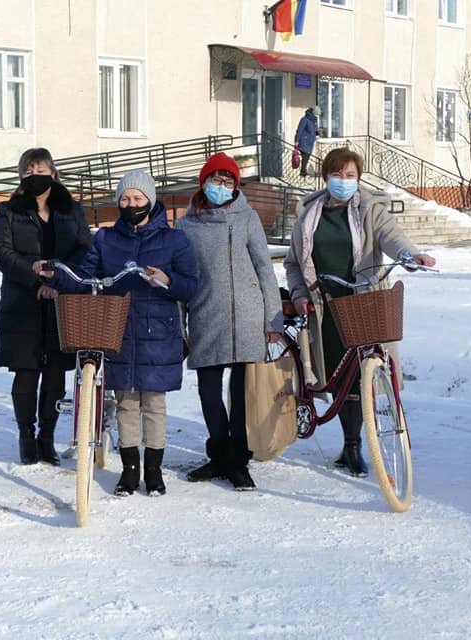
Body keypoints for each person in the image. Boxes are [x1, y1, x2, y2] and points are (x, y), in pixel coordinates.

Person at [283, 147, 436, 476]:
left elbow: (392, 238)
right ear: (326, 176)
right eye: (337, 175)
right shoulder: (308, 214)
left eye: (350, 175)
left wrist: (411, 256)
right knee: (337, 377)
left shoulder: (370, 209)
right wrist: (298, 294)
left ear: (358, 178)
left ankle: (352, 447)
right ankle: (346, 440)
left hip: (362, 302)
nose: (343, 181)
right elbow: (294, 263)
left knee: (360, 375)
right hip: (323, 306)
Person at [45, 170, 198, 496]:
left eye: (138, 199)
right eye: (125, 199)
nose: (131, 204)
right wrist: (57, 274)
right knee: (127, 402)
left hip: (158, 330)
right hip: (117, 330)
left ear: (150, 201)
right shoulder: (106, 238)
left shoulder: (174, 239)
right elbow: (85, 278)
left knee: (154, 404)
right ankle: (130, 470)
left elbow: (191, 285)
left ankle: (154, 471)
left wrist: (168, 281)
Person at [177, 153, 283, 491]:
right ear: (203, 182)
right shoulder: (185, 224)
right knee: (209, 391)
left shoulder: (247, 217)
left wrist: (272, 319)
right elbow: (180, 276)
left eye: (228, 182)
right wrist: (180, 327)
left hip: (247, 316)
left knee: (240, 393)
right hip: (206, 313)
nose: (221, 187)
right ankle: (219, 454)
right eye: (215, 180)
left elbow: (265, 268)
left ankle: (238, 461)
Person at [0, 148, 91, 466]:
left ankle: (46, 438)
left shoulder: (72, 210)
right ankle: (26, 436)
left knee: (54, 372)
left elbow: (84, 250)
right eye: (29, 170)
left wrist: (57, 278)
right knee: (25, 370)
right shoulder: (8, 211)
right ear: (21, 176)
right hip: (21, 301)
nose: (35, 175)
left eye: (41, 169)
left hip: (61, 301)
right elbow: (2, 252)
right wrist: (32, 273)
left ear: (54, 173)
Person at [295, 106, 321, 177]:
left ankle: (303, 171)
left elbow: (313, 131)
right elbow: (299, 130)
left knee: (306, 157)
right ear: (313, 113)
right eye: (316, 114)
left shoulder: (313, 121)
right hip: (304, 141)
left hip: (310, 142)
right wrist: (297, 140)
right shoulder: (304, 120)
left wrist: (317, 132)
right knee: (305, 156)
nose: (317, 116)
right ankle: (303, 172)